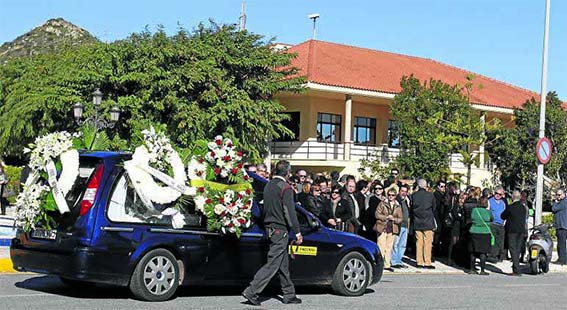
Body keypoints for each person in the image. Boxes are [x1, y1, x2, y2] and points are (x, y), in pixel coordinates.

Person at [242, 160, 302, 306]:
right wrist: (297, 232)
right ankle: (252, 291)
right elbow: (289, 211)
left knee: (283, 264)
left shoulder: (268, 185)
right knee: (273, 264)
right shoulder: (285, 187)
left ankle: (289, 294)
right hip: (280, 229)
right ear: (288, 173)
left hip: (269, 228)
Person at [374, 187, 403, 272]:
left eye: (392, 195)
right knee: (381, 247)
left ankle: (387, 264)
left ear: (395, 196)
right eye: (389, 195)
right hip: (382, 227)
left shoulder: (398, 206)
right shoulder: (382, 204)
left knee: (389, 247)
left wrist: (393, 219)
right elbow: (377, 214)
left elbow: (400, 218)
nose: (390, 196)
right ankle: (379, 264)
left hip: (392, 228)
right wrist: (386, 217)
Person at [411, 179, 437, 269]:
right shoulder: (430, 195)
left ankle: (419, 261)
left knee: (419, 242)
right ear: (425, 185)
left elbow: (412, 207)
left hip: (417, 220)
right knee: (428, 243)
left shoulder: (413, 195)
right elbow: (434, 207)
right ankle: (427, 262)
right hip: (428, 221)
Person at [501, 190, 526, 276]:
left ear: (512, 197)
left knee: (513, 250)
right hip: (521, 230)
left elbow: (503, 216)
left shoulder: (510, 207)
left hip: (512, 231)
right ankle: (516, 267)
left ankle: (516, 269)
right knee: (517, 250)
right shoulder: (523, 208)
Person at [469, 197, 493, 275]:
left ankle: (472, 269)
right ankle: (482, 270)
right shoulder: (488, 212)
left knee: (473, 251)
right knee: (483, 252)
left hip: (474, 231)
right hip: (485, 233)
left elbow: (471, 218)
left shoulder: (474, 210)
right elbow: (491, 219)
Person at [391, 184, 411, 268]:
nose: (404, 193)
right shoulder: (396, 201)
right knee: (396, 244)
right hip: (398, 225)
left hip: (405, 225)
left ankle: (399, 260)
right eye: (402, 191)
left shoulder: (406, 201)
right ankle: (394, 261)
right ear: (399, 192)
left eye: (405, 192)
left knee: (402, 244)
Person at [446, 191, 465, 267]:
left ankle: (455, 259)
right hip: (455, 225)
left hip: (460, 226)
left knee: (458, 243)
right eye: (462, 198)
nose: (463, 200)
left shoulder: (463, 206)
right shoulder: (456, 205)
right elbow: (456, 215)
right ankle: (450, 259)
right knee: (453, 242)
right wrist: (461, 217)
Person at [488, 186, 507, 262]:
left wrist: (504, 222)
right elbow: (487, 211)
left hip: (501, 224)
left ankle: (500, 256)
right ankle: (493, 256)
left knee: (500, 241)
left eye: (500, 194)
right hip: (492, 224)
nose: (498, 195)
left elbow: (505, 213)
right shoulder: (490, 201)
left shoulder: (503, 203)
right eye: (496, 193)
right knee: (493, 240)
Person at [552, 188, 567, 266]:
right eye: (556, 195)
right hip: (562, 225)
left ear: (564, 194)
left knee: (561, 244)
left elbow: (554, 209)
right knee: (561, 243)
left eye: (559, 195)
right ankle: (563, 258)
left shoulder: (562, 202)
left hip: (562, 226)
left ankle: (562, 260)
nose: (557, 196)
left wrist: (555, 202)